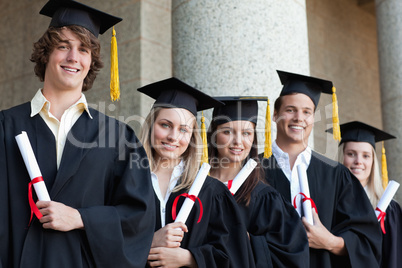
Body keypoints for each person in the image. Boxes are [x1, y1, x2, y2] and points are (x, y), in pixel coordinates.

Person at [0, 1, 155, 267]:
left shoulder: (118, 137)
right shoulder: (5, 127)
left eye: (83, 49)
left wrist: (81, 218)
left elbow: (137, 218)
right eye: (63, 46)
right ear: (46, 53)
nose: (73, 57)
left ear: (91, 61)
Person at [261, 70, 382, 267]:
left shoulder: (336, 174)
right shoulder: (253, 170)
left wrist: (331, 242)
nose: (299, 118)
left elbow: (367, 241)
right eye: (290, 110)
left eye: (307, 112)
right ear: (275, 115)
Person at [138, 77, 255, 268]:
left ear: (192, 136)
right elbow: (102, 242)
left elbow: (236, 257)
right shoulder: (126, 182)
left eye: (183, 130)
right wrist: (149, 241)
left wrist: (190, 258)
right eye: (165, 125)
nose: (173, 137)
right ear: (151, 125)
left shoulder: (211, 192)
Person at [207, 96, 309, 267]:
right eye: (227, 131)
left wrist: (246, 241)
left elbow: (292, 257)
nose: (238, 141)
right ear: (213, 135)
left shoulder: (264, 198)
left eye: (246, 133)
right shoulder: (193, 188)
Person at [333, 121, 402, 268]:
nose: (358, 161)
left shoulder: (389, 210)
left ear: (373, 162)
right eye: (351, 154)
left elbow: (394, 259)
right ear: (341, 158)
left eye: (366, 156)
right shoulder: (329, 203)